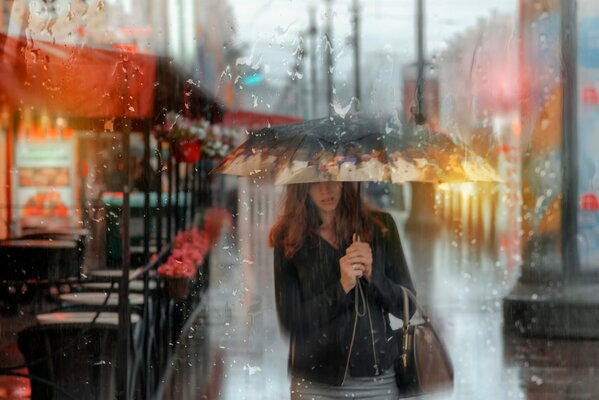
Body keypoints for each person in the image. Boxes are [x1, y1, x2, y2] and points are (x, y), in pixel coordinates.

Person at [269, 181, 416, 399]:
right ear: (301, 186)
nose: (325, 189)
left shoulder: (380, 227)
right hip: (315, 383)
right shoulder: (289, 238)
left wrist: (373, 275)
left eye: (332, 178)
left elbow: (407, 307)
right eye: (315, 182)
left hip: (376, 380)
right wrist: (341, 287)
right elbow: (291, 321)